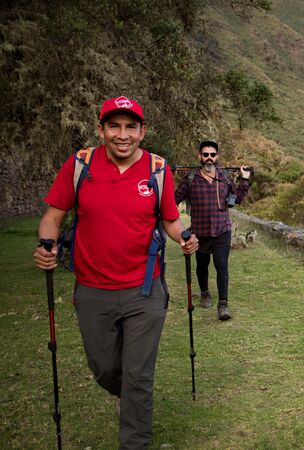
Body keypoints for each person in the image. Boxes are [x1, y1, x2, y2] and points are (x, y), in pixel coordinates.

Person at [33, 95, 198, 450]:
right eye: (114, 126)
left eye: (130, 127)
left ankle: (134, 439)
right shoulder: (80, 165)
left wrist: (183, 237)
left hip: (145, 290)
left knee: (138, 375)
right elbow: (53, 216)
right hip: (93, 289)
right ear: (101, 129)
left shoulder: (157, 169)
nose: (122, 135)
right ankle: (124, 393)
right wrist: (47, 244)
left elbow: (169, 217)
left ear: (142, 131)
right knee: (105, 368)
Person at [174, 140, 251, 321]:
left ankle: (223, 304)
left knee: (221, 265)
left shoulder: (224, 177)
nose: (209, 158)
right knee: (202, 266)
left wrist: (245, 179)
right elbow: (173, 200)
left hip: (222, 230)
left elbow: (237, 199)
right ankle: (205, 293)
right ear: (200, 156)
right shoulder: (191, 179)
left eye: (212, 154)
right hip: (199, 232)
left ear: (217, 157)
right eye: (206, 154)